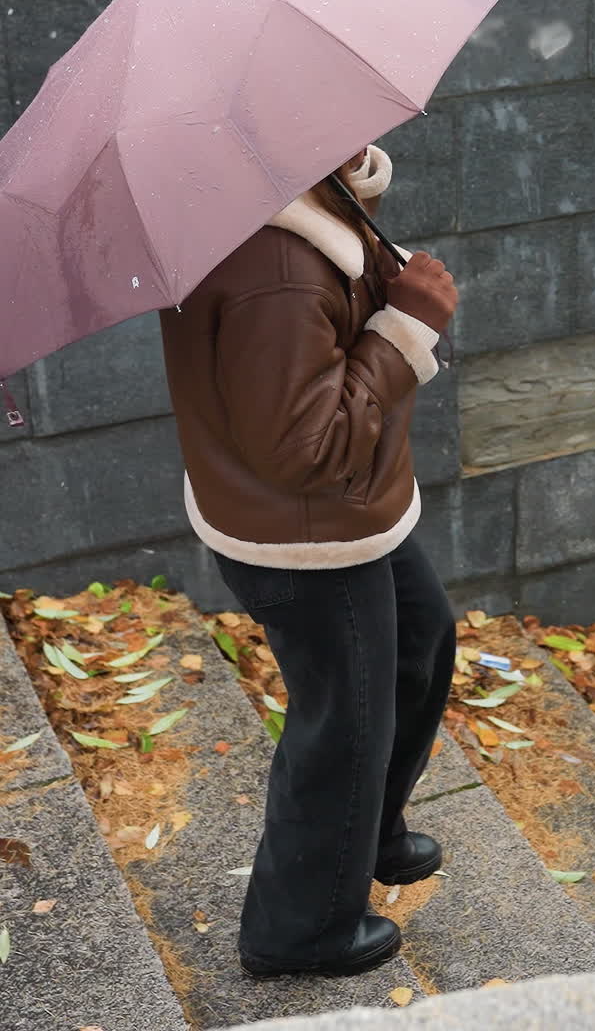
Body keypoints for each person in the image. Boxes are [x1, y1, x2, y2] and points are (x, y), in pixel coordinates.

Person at [160, 143, 459, 979]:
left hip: (345, 510)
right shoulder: (278, 269)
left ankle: (364, 836)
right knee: (345, 723)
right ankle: (300, 929)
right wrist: (408, 328)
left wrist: (350, 181)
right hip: (307, 535)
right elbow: (307, 447)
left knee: (420, 645)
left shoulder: (276, 192)